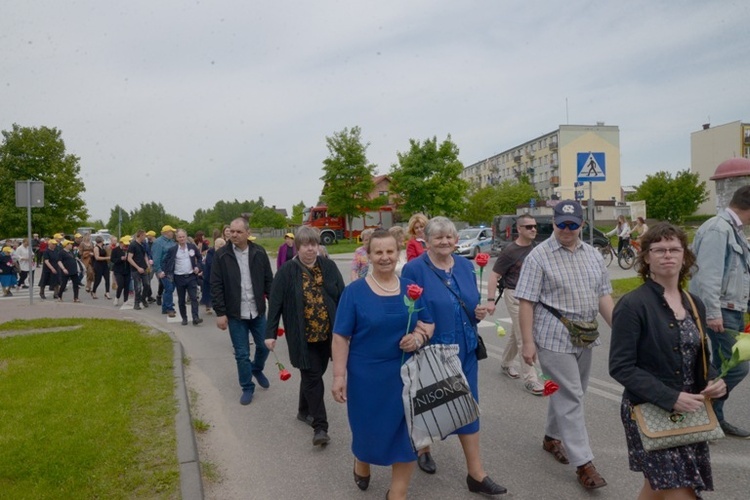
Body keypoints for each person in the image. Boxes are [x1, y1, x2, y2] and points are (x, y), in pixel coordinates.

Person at [610, 222, 727, 499]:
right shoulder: (632, 305)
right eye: (659, 249)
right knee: (679, 489)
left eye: (674, 249)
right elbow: (621, 366)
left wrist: (714, 381)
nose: (668, 255)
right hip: (651, 410)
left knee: (657, 488)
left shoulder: (694, 301)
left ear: (685, 256)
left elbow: (700, 355)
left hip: (690, 411)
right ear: (646, 257)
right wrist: (670, 396)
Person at [402, 217, 507, 495]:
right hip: (433, 353)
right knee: (428, 406)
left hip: (466, 349)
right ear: (426, 240)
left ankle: (476, 474)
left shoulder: (464, 265)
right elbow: (409, 311)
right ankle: (423, 448)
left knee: (468, 407)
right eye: (439, 237)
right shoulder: (414, 270)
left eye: (450, 237)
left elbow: (469, 303)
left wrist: (478, 312)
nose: (445, 242)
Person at [515, 200, 614, 491]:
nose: (566, 230)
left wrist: (621, 330)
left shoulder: (594, 255)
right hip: (552, 337)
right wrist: (528, 343)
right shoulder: (539, 256)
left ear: (582, 224)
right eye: (561, 224)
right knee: (571, 397)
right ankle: (584, 463)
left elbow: (604, 297)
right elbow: (526, 302)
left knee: (571, 392)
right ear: (554, 223)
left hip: (585, 335)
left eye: (572, 224)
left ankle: (551, 437)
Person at [332, 229, 434, 500]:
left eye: (390, 251)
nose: (385, 257)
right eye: (379, 252)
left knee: (407, 434)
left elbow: (428, 323)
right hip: (367, 377)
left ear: (398, 252)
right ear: (368, 255)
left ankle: (397, 493)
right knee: (367, 432)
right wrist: (339, 376)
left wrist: (418, 337)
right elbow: (341, 336)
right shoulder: (354, 293)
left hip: (406, 376)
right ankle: (361, 459)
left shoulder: (411, 288)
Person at [266, 226, 346, 447]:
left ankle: (303, 410)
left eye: (314, 244)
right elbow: (275, 304)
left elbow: (343, 296)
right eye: (305, 245)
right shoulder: (286, 272)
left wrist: (350, 327)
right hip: (303, 336)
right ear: (297, 247)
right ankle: (320, 427)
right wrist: (270, 333)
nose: (311, 249)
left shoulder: (328, 266)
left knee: (314, 375)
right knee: (313, 378)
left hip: (328, 336)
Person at [689, 185, 750, 438]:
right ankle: (704, 413)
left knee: (721, 365)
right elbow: (708, 275)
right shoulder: (718, 229)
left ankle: (714, 418)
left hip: (733, 309)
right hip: (720, 311)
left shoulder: (733, 230)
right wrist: (712, 312)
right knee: (738, 365)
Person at [211, 217, 274, 405]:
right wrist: (220, 313)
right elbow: (216, 285)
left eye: (239, 232)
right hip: (235, 313)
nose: (234, 235)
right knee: (241, 353)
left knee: (264, 346)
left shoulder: (259, 252)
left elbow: (269, 281)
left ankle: (256, 368)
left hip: (257, 311)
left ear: (248, 232)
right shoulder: (222, 255)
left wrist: (276, 306)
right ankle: (247, 387)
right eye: (232, 231)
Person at [486, 213, 543, 395]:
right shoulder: (510, 251)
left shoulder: (536, 249)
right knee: (523, 338)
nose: (533, 229)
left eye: (534, 226)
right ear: (519, 229)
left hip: (533, 297)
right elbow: (494, 275)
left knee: (516, 333)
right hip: (515, 296)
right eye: (528, 227)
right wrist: (490, 301)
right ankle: (531, 379)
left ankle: (505, 363)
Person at [162, 229, 203, 326]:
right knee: (181, 300)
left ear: (186, 237)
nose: (182, 238)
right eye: (179, 237)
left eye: (183, 236)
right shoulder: (173, 250)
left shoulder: (192, 247)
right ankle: (184, 318)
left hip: (191, 276)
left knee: (193, 298)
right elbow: (165, 261)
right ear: (177, 238)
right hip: (179, 277)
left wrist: (198, 267)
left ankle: (195, 318)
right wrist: (166, 272)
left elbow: (200, 258)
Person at [152, 225, 177, 317]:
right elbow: (156, 258)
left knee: (170, 289)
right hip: (164, 269)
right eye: (171, 231)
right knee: (169, 288)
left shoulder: (172, 241)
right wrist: (158, 271)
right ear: (167, 232)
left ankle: (165, 307)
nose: (173, 233)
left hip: (172, 269)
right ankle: (169, 308)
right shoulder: (158, 242)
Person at [127, 230, 150, 310]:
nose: (145, 237)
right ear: (140, 235)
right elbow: (129, 258)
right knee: (137, 287)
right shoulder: (132, 245)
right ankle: (136, 303)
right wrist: (137, 268)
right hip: (135, 269)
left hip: (144, 268)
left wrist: (147, 264)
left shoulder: (143, 245)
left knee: (147, 284)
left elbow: (145, 255)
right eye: (144, 236)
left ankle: (143, 299)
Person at [201, 238, 224, 315]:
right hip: (209, 274)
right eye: (219, 245)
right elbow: (210, 263)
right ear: (216, 245)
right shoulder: (211, 251)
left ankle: (219, 307)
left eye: (222, 245)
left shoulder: (225, 252)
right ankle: (208, 306)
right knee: (208, 290)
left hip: (220, 275)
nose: (221, 247)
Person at [111, 236, 131, 306]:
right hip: (118, 270)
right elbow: (112, 259)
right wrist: (120, 259)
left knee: (127, 286)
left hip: (127, 270)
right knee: (120, 285)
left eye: (127, 245)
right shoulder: (115, 250)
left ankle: (126, 300)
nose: (126, 246)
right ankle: (117, 298)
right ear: (121, 243)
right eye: (125, 244)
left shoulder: (129, 250)